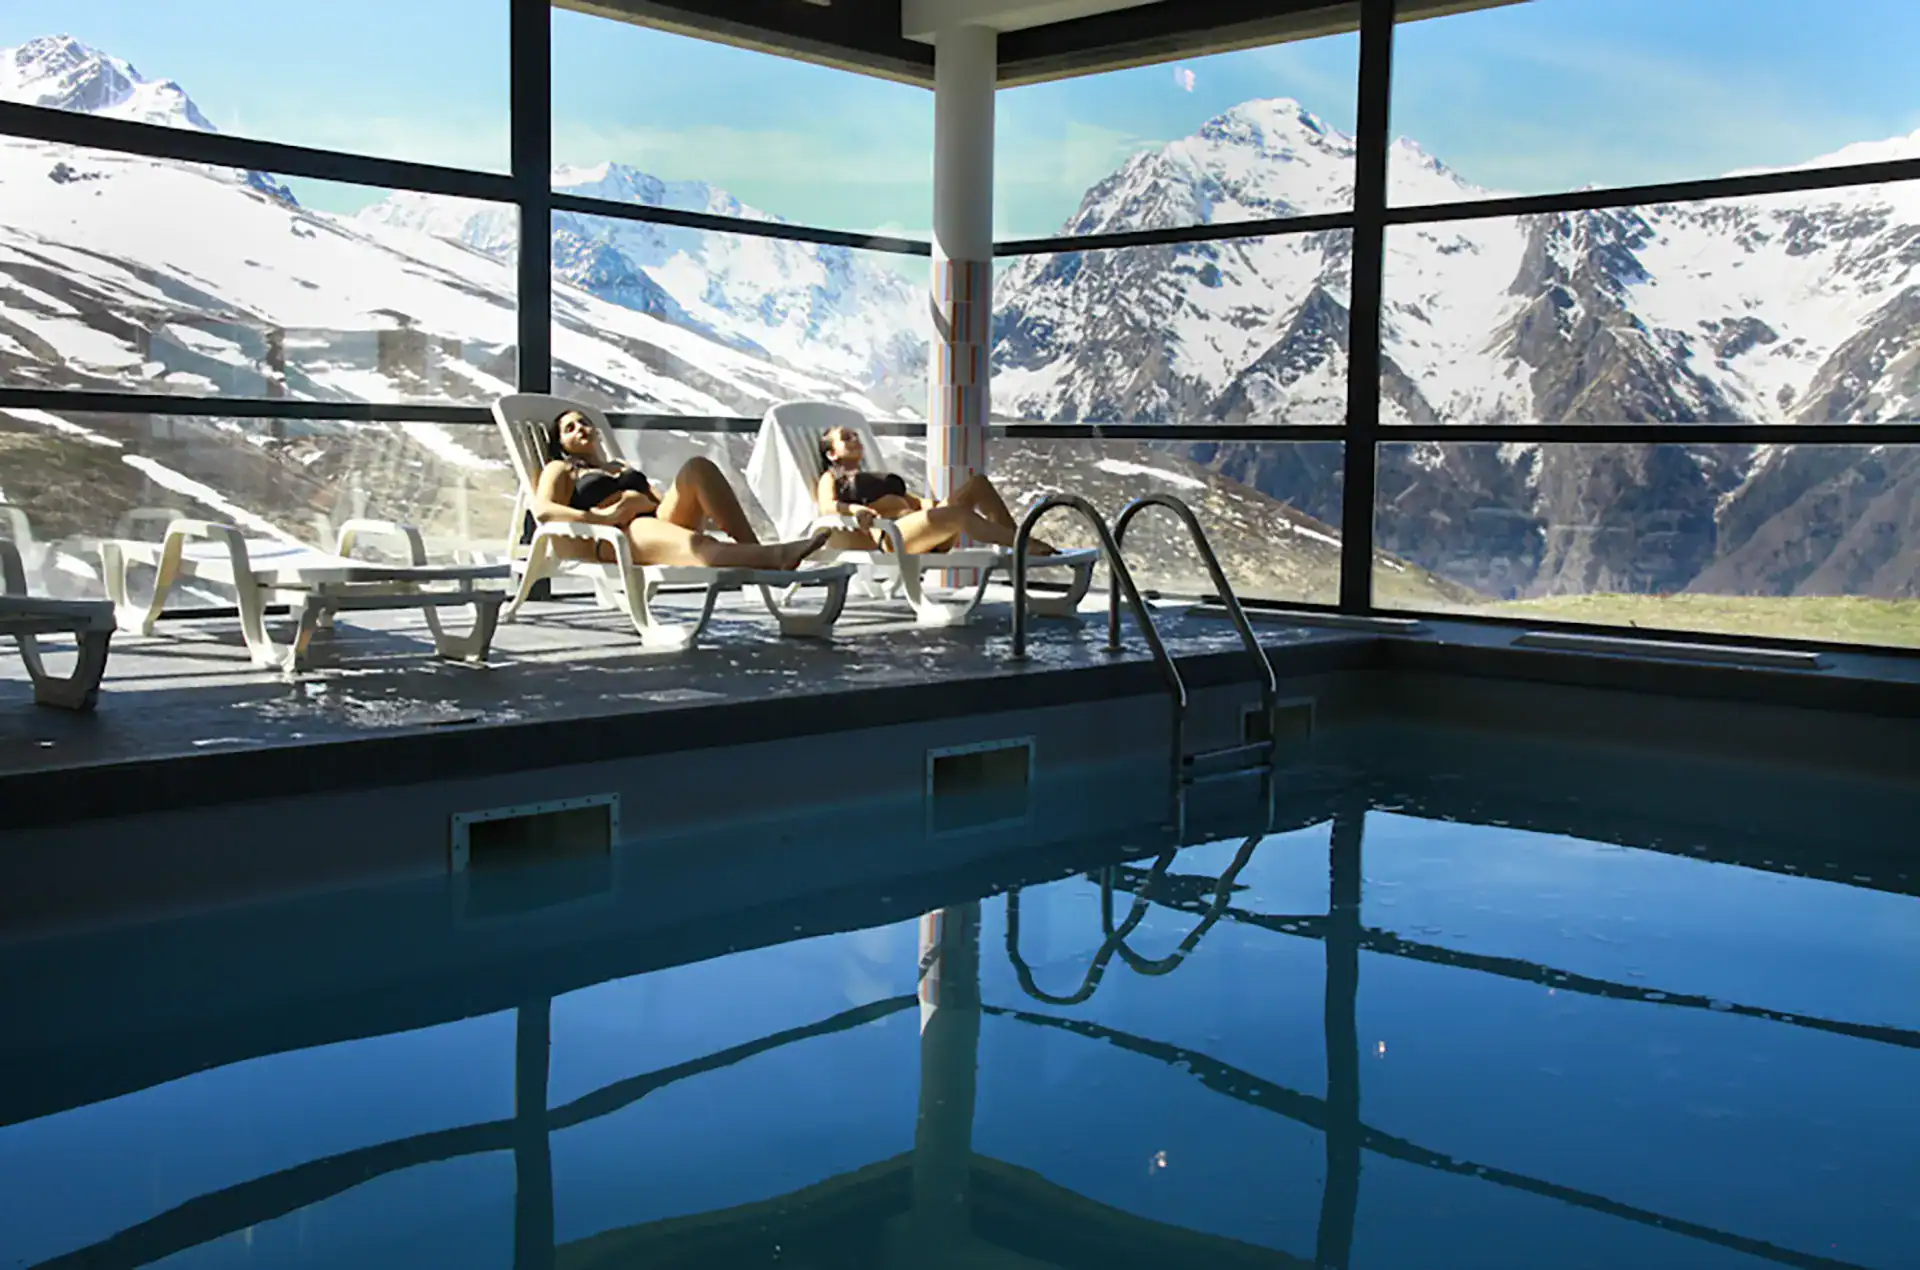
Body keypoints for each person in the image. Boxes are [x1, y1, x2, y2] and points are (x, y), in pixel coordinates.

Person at [534, 410, 827, 570]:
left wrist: (665, 500)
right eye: (569, 428)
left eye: (583, 422)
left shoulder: (618, 465)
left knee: (698, 467)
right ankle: (774, 558)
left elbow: (658, 501)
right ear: (560, 443)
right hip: (620, 535)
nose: (580, 429)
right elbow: (544, 510)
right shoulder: (562, 469)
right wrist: (607, 517)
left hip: (653, 520)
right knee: (698, 545)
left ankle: (752, 550)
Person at [814, 425, 1054, 555]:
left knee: (978, 483)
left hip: (921, 528)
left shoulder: (872, 477)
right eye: (847, 438)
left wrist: (938, 506)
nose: (855, 439)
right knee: (959, 515)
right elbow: (827, 506)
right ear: (832, 454)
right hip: (894, 537)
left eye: (856, 435)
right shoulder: (832, 477)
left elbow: (916, 503)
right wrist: (855, 509)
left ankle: (1018, 551)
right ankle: (1024, 544)